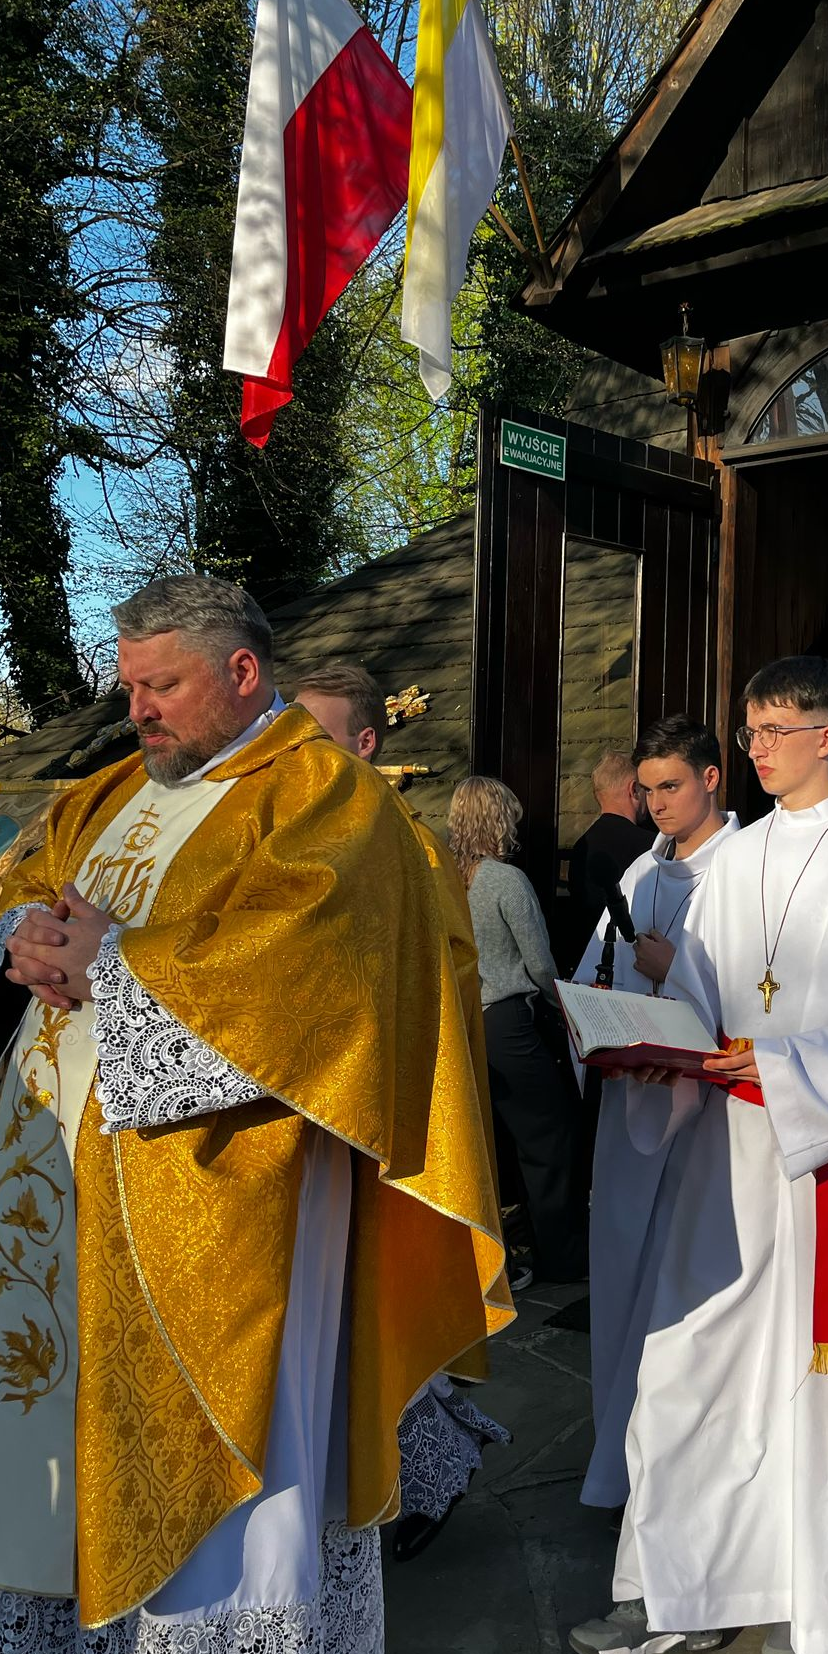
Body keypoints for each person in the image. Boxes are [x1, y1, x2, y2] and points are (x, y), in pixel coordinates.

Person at [0, 578, 508, 1654]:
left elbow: (309, 974)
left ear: (240, 672)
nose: (138, 708)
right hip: (55, 1201)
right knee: (62, 1455)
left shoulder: (322, 798)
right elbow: (36, 888)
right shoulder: (110, 790)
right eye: (130, 683)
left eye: (160, 683)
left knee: (217, 1481)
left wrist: (112, 964)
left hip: (226, 1208)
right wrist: (24, 941)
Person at [570, 656, 828, 1654]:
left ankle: (814, 1598)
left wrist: (780, 1066)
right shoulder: (734, 863)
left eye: (777, 727)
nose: (758, 746)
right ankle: (675, 1591)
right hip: (722, 1157)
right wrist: (655, 1047)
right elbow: (697, 992)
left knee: (814, 1389)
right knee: (685, 1366)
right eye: (750, 728)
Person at [292, 662, 510, 1563]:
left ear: (366, 741)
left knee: (378, 1318)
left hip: (383, 1119)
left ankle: (431, 1472)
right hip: (306, 1113)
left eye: (316, 736)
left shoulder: (406, 844)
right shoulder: (292, 834)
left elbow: (442, 980)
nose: (296, 754)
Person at [571, 714, 739, 1509]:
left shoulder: (748, 870)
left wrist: (678, 972)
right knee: (621, 1279)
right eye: (646, 790)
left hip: (710, 1120)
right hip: (632, 1104)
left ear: (712, 777)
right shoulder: (641, 869)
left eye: (671, 786)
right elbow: (595, 968)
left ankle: (681, 1476)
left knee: (682, 1294)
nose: (657, 803)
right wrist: (597, 1018)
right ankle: (619, 1460)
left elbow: (763, 998)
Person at [451, 775, 585, 1284]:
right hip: (509, 1023)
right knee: (550, 1138)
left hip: (466, 1022)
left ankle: (500, 1254)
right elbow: (540, 965)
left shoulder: (446, 878)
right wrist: (567, 1009)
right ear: (499, 821)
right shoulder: (506, 880)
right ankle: (563, 1258)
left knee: (493, 1145)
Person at [566, 750, 653, 958]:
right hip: (636, 958)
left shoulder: (581, 847)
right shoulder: (651, 846)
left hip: (588, 958)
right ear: (634, 789)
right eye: (648, 789)